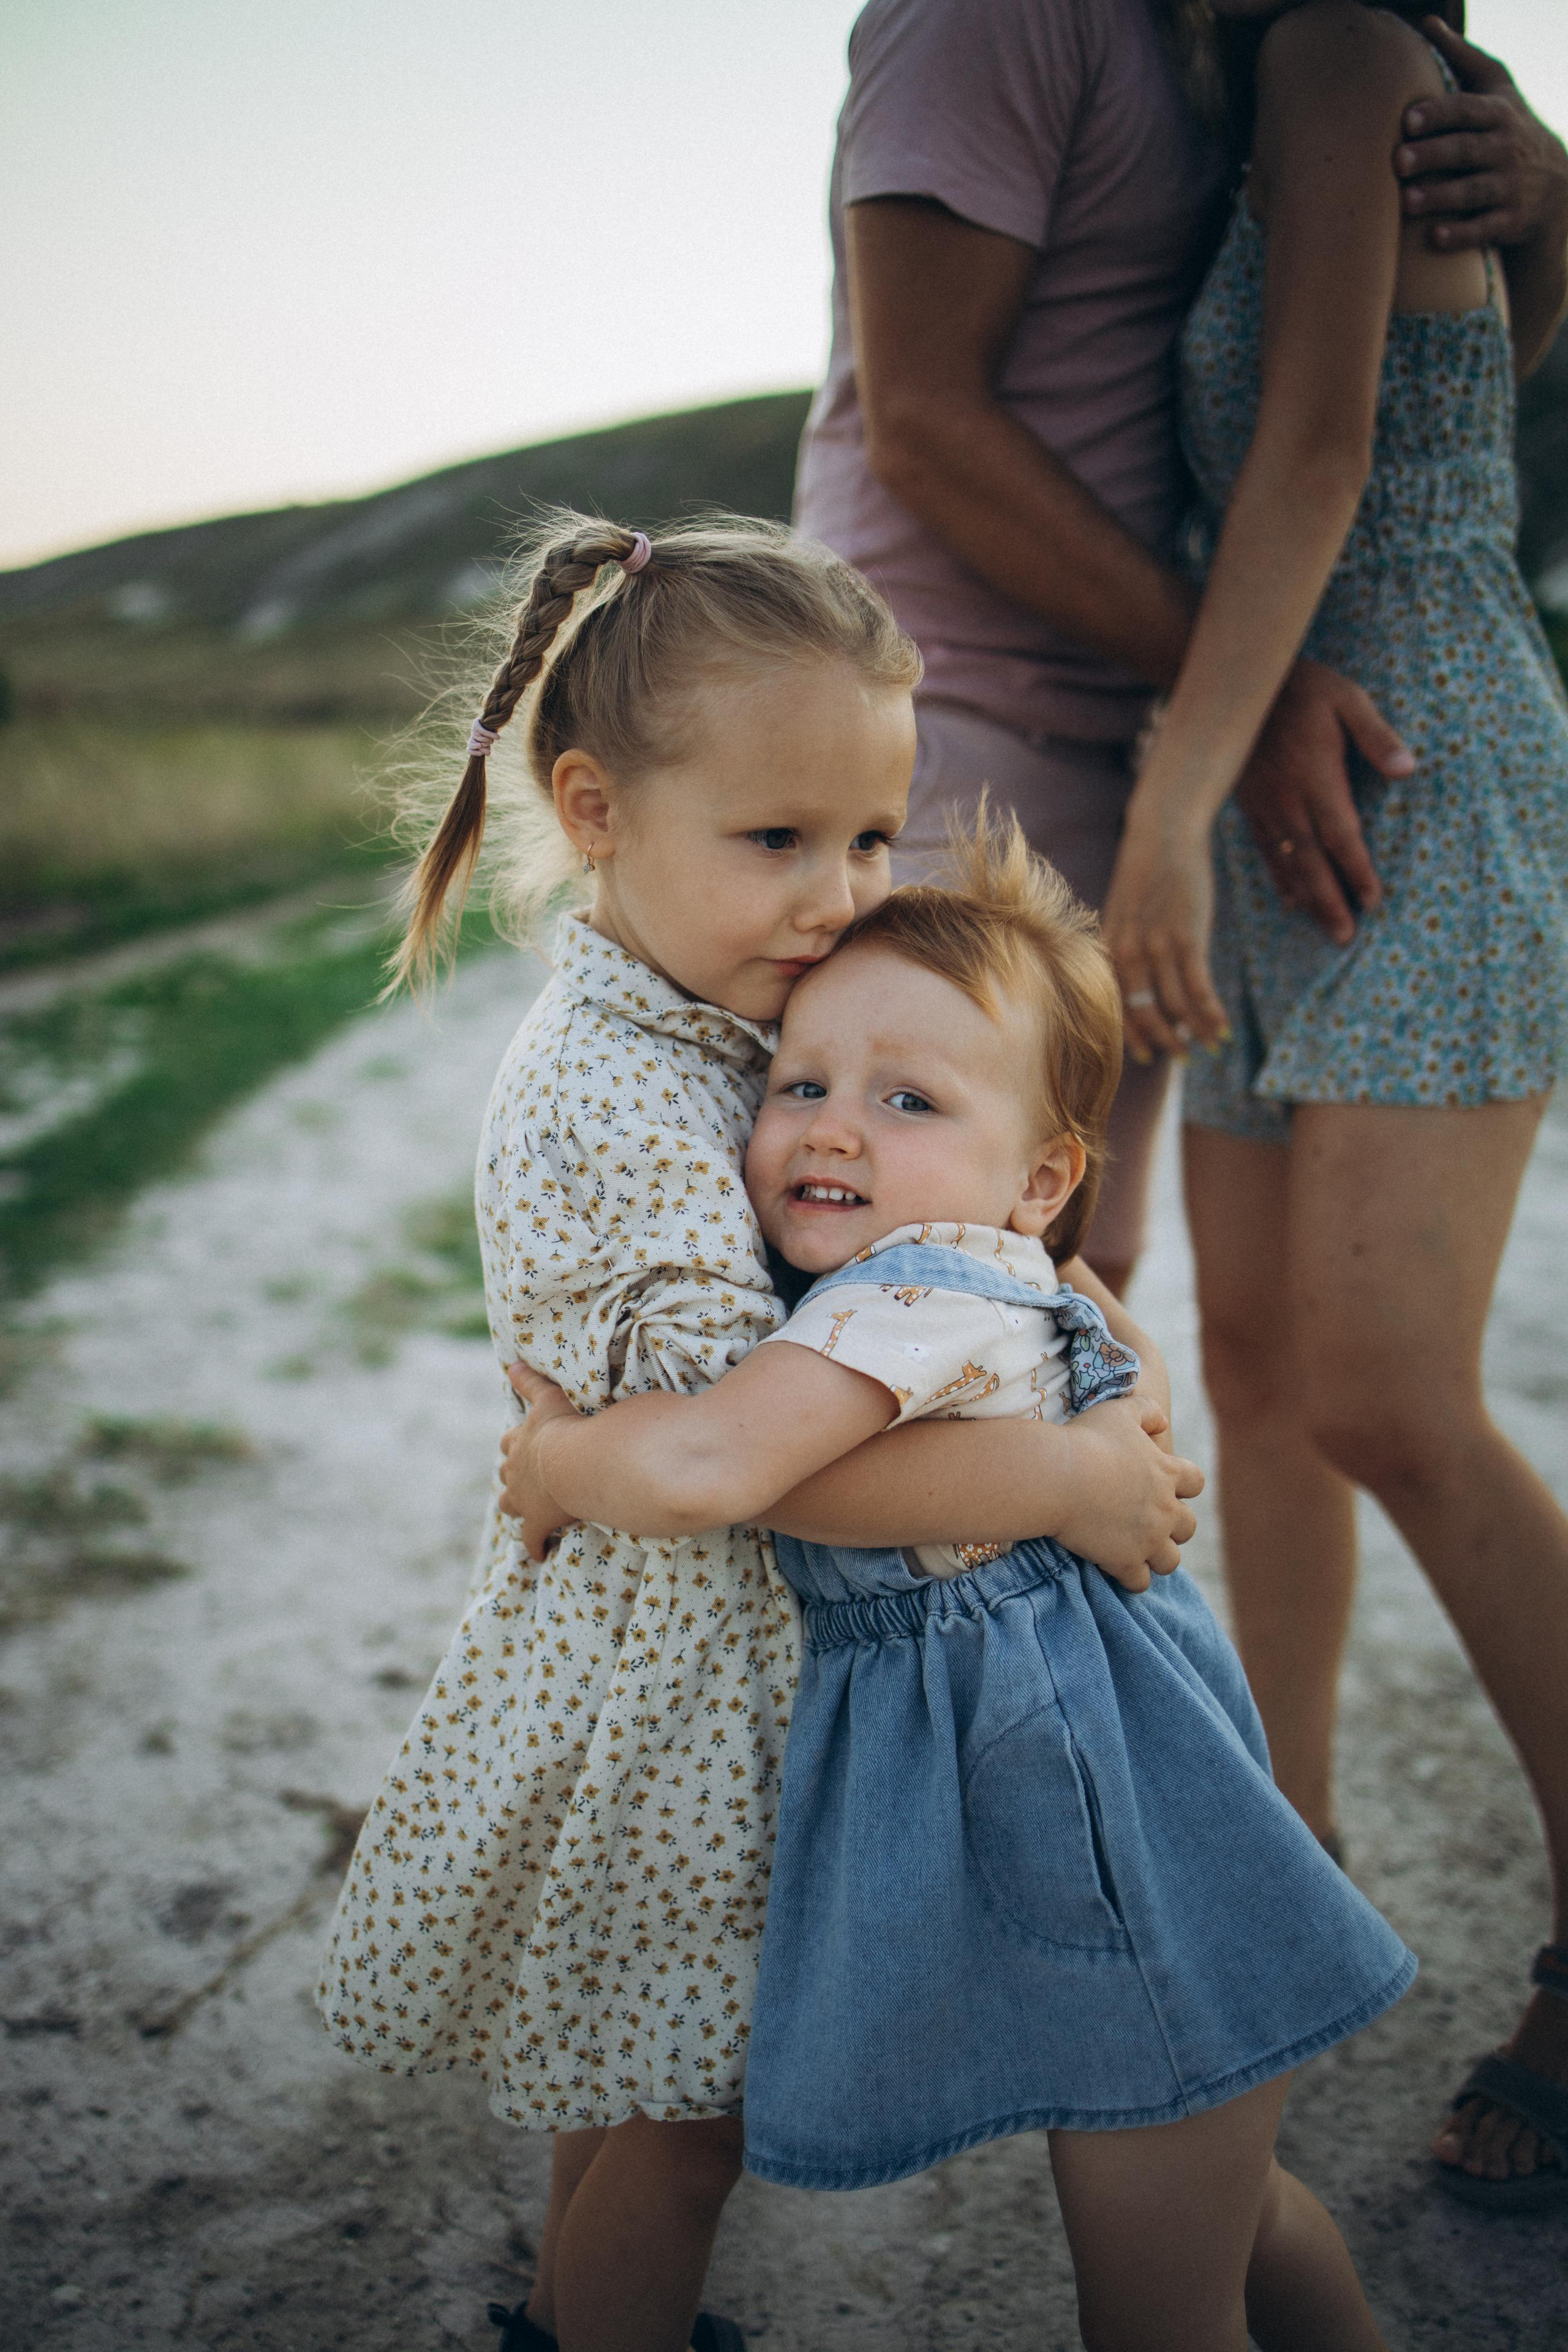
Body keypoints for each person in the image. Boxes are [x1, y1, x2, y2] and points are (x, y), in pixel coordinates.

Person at [316, 514, 1203, 2352]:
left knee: (633, 2085)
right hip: (679, 1671)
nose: (837, 894)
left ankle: (581, 2319)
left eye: (871, 837)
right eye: (780, 841)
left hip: (692, 1644)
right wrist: (1069, 1478)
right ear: (601, 807)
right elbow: (761, 1456)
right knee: (685, 2119)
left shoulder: (716, 1019)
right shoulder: (622, 1100)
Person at [503, 815, 1414, 2352]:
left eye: (907, 1098)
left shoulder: (917, 1298)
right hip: (1076, 1807)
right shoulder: (979, 1274)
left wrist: (556, 1462)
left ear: (1040, 1179)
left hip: (1109, 1837)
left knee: (1164, 2300)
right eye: (800, 1083)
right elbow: (1121, 1370)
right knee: (1227, 2206)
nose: (833, 1128)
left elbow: (720, 1472)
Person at [1099, 1, 1568, 2207]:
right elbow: (1480, 378)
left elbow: (1324, 463)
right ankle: (1292, 1877)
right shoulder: (1291, 89)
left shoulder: (1331, 48)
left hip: (1418, 772)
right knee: (1261, 1375)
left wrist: (1169, 807)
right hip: (1310, 766)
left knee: (1388, 1392)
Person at [796, 0, 1568, 1297]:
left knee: (1070, 1270)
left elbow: (1410, 400)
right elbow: (920, 418)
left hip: (1141, 731)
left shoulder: (1246, 50)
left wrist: (1546, 214)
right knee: (909, 1281)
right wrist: (1243, 704)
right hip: (940, 723)